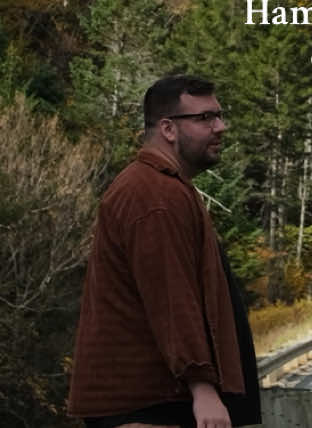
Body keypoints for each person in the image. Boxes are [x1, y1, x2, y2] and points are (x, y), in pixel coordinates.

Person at [69, 73, 262, 428]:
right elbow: (171, 298)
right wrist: (203, 388)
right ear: (168, 129)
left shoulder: (166, 188)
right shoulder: (154, 196)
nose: (221, 127)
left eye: (219, 115)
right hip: (148, 405)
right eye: (205, 118)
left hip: (156, 402)